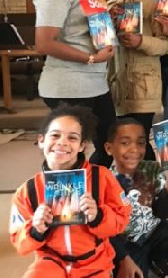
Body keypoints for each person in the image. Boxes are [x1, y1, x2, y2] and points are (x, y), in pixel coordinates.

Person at [10, 105, 131, 277]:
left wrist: (98, 216)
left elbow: (122, 219)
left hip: (95, 263)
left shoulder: (102, 178)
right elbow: (19, 243)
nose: (62, 142)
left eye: (72, 138)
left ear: (82, 146)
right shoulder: (27, 191)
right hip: (50, 262)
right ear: (41, 140)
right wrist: (35, 229)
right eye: (55, 135)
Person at [34, 0, 116, 167]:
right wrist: (91, 58)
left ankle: (96, 193)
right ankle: (65, 200)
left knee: (107, 143)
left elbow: (82, 33)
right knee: (68, 152)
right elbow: (44, 43)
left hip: (94, 84)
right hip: (68, 85)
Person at [106, 118, 168, 278]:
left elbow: (163, 212)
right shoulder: (104, 180)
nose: (134, 149)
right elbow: (106, 231)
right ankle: (140, 261)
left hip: (153, 233)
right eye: (125, 143)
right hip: (125, 245)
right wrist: (124, 258)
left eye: (140, 143)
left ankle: (155, 259)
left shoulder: (152, 169)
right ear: (109, 148)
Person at [107, 0, 168, 160]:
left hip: (144, 86)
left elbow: (165, 45)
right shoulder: (112, 4)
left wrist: (140, 41)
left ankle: (154, 187)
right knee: (123, 139)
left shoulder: (155, 4)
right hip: (118, 84)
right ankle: (129, 186)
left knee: (140, 139)